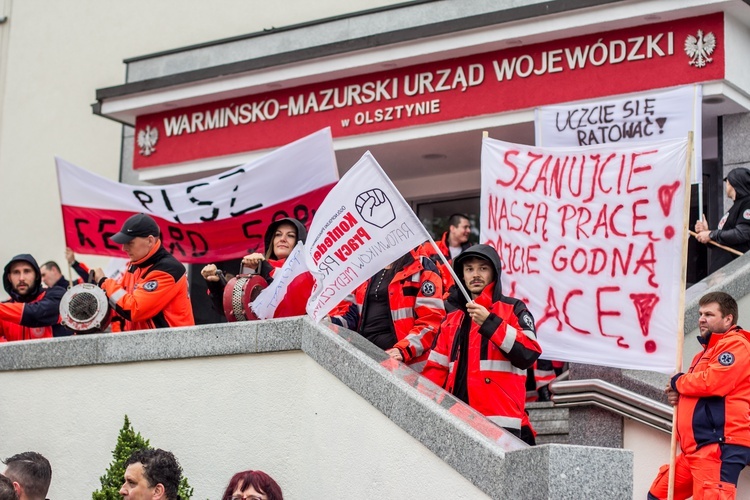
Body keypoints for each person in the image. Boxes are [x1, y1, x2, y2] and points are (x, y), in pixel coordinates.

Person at [422, 244, 542, 438]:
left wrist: (490, 323)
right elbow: (434, 373)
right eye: (469, 269)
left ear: (494, 273)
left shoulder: (514, 308)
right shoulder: (451, 320)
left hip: (502, 422)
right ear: (461, 276)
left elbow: (529, 353)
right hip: (457, 422)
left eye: (482, 268)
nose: (475, 274)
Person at [648, 292, 750, 500]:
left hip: (717, 446)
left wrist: (678, 381)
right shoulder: (703, 353)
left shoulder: (736, 345)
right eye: (700, 313)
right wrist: (679, 395)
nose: (701, 319)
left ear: (728, 318)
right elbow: (701, 390)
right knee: (658, 495)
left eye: (709, 314)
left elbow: (713, 383)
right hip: (696, 448)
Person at [202, 217, 357, 327]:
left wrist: (266, 269)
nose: (282, 239)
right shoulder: (256, 268)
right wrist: (216, 284)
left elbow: (287, 301)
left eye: (290, 236)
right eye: (278, 235)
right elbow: (235, 311)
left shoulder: (310, 274)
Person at [92, 213, 195, 331]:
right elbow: (121, 300)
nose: (124, 248)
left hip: (172, 346)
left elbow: (134, 310)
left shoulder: (168, 269)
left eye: (130, 242)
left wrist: (104, 282)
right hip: (146, 344)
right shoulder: (136, 264)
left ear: (150, 241)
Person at [353, 247, 445, 370]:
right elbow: (349, 310)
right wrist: (333, 321)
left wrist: (402, 350)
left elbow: (431, 322)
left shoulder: (423, 267)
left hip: (401, 364)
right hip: (361, 354)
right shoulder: (368, 261)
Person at [694, 167, 750, 273]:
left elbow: (742, 233)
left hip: (734, 272)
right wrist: (707, 233)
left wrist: (711, 234)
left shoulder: (747, 203)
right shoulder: (736, 206)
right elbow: (725, 240)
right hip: (723, 271)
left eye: (727, 182)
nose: (726, 185)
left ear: (734, 183)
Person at [0, 254, 66, 340]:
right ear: (9, 278)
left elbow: (35, 314)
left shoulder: (56, 294)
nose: (21, 278)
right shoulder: (5, 308)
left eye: (27, 271)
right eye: (16, 272)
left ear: (37, 275)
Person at [422, 213, 473, 296]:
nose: (468, 231)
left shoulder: (470, 253)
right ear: (453, 228)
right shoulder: (431, 248)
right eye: (465, 227)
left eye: (469, 227)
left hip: (462, 301)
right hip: (436, 298)